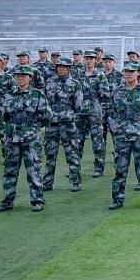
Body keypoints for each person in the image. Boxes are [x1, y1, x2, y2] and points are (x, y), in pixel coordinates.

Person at [0, 65, 51, 213]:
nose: (20, 78)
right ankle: (8, 200)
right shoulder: (9, 95)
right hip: (12, 137)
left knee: (33, 170)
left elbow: (46, 116)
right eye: (17, 76)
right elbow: (5, 115)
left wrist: (32, 127)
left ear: (30, 78)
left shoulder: (37, 94)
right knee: (10, 170)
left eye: (23, 76)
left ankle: (37, 200)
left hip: (30, 138)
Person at [109, 61, 140, 211]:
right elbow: (111, 113)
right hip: (122, 136)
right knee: (120, 169)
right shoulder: (117, 92)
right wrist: (116, 129)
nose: (128, 74)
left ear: (138, 73)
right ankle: (117, 199)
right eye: (126, 71)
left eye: (132, 71)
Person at [42, 56, 84, 192]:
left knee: (72, 153)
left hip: (68, 123)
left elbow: (78, 106)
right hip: (52, 123)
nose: (61, 69)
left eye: (64, 67)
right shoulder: (49, 83)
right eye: (59, 66)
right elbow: (44, 102)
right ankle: (47, 183)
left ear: (69, 68)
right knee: (50, 154)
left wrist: (68, 114)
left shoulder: (75, 84)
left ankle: (75, 182)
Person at [75, 50, 108, 177]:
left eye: (91, 58)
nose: (89, 61)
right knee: (77, 142)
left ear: (95, 60)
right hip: (80, 114)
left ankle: (99, 168)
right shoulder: (78, 75)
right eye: (87, 58)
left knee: (97, 142)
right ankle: (75, 168)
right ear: (84, 60)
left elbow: (105, 95)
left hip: (94, 113)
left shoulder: (100, 76)